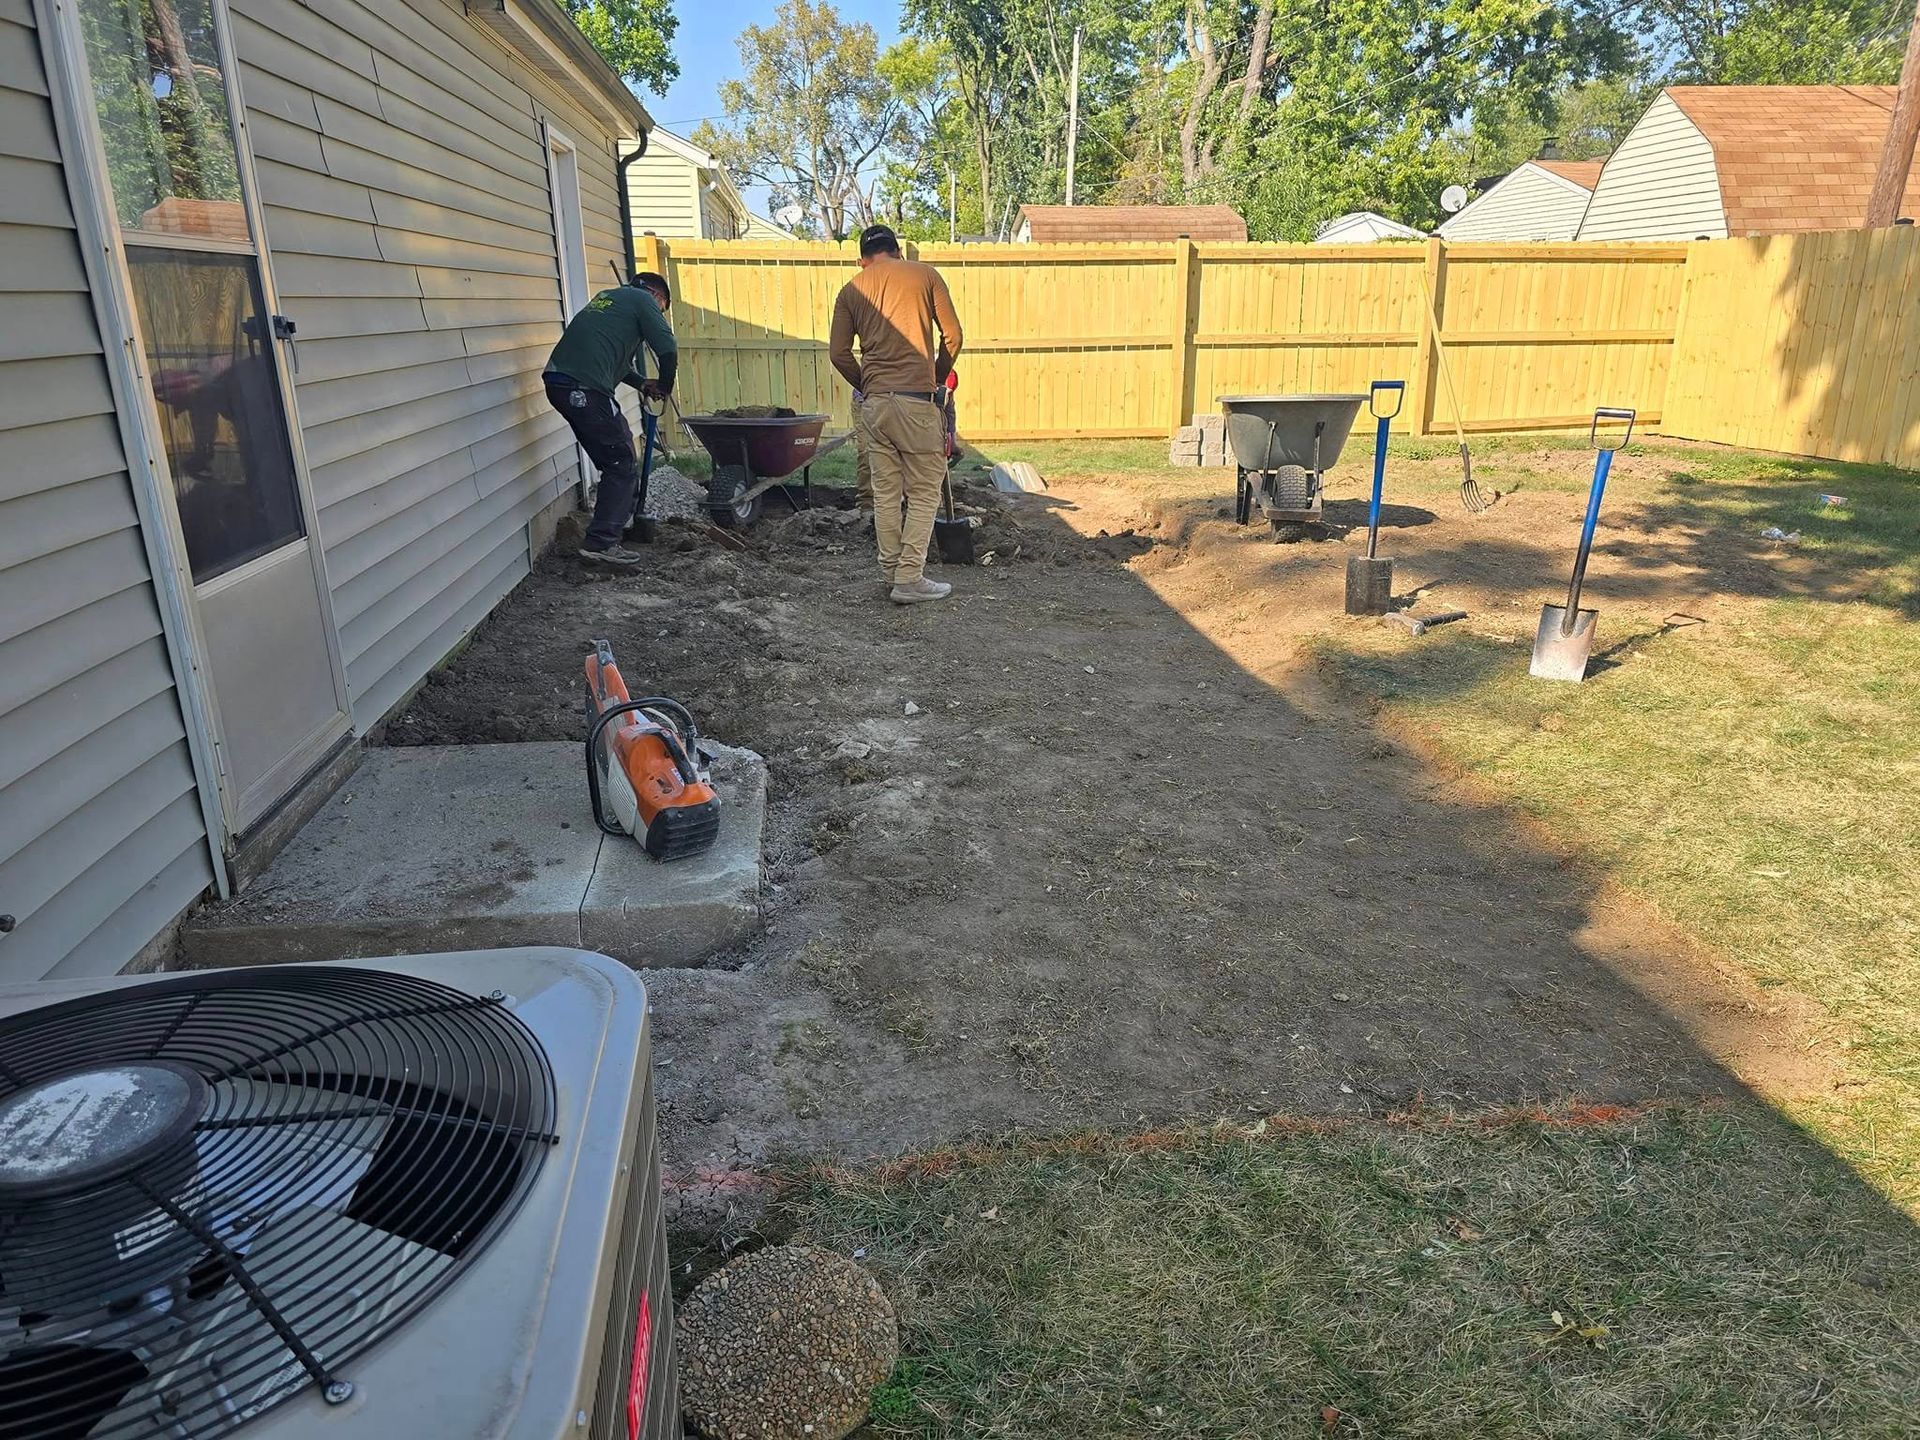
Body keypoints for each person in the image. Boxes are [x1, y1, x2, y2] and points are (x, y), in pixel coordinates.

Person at [829, 225, 963, 604]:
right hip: (916, 403)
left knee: (885, 493)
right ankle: (909, 578)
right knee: (923, 492)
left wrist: (868, 383)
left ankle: (891, 573)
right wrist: (935, 377)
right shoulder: (925, 275)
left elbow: (838, 354)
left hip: (875, 407)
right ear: (899, 252)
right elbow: (953, 336)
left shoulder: (851, 290)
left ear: (862, 260)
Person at [544, 271, 678, 567]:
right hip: (584, 388)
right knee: (620, 463)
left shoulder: (608, 299)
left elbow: (616, 361)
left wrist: (643, 383)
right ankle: (601, 543)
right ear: (658, 297)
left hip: (561, 383)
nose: (660, 314)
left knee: (619, 453)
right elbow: (668, 349)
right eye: (663, 309)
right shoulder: (644, 301)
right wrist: (666, 386)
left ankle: (618, 523)